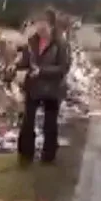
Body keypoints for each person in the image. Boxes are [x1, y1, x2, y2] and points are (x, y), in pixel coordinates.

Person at [16, 9, 71, 165]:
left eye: (43, 24)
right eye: (37, 24)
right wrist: (16, 65)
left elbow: (63, 68)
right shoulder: (32, 41)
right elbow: (26, 62)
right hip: (33, 88)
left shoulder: (61, 44)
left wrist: (42, 71)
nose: (40, 28)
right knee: (27, 122)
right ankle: (26, 154)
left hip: (53, 89)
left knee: (50, 124)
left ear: (51, 25)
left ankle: (48, 155)